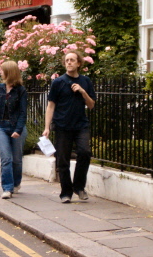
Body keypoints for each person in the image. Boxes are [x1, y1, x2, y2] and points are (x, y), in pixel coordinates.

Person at [42, 50, 96, 204]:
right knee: (63, 160)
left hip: (81, 125)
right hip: (62, 125)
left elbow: (91, 105)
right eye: (67, 60)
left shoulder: (85, 81)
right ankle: (66, 192)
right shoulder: (58, 82)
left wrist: (83, 92)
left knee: (85, 153)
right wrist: (47, 127)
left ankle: (79, 187)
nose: (69, 62)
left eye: (72, 60)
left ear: (79, 63)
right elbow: (51, 106)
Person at [0, 61, 27, 199]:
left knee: (16, 159)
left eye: (2, 70)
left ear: (9, 72)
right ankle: (7, 188)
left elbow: (23, 112)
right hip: (0, 126)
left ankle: (16, 183)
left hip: (16, 127)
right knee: (6, 159)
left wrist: (18, 129)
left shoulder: (21, 90)